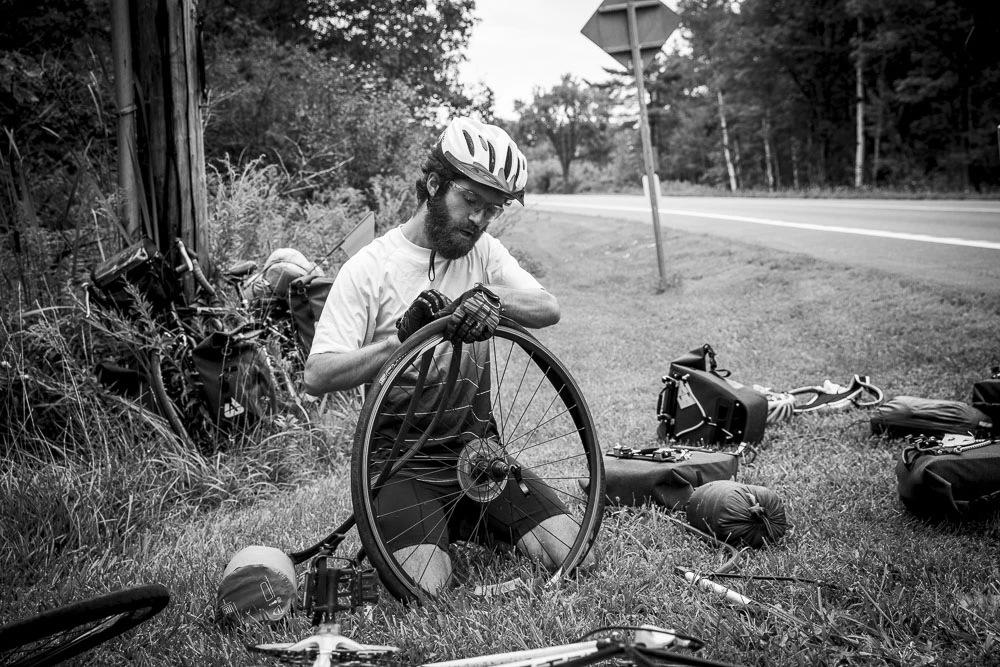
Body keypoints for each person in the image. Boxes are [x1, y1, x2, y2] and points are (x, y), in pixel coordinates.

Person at [303, 117, 587, 595]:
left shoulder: (484, 254)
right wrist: (402, 342)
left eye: (492, 210)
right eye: (470, 201)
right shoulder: (370, 268)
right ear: (434, 184)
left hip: (478, 456)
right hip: (400, 463)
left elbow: (548, 307)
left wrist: (488, 296)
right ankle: (422, 532)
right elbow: (317, 374)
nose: (478, 220)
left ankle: (473, 523)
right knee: (426, 589)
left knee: (576, 555)